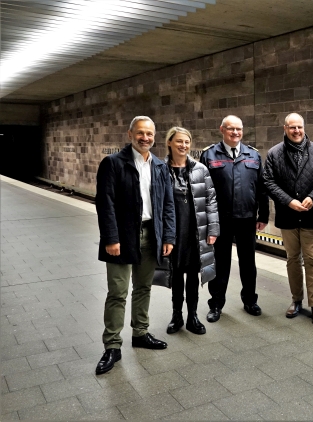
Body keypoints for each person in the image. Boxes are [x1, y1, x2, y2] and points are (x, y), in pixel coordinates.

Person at [94, 116, 175, 375]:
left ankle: (140, 333)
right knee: (117, 292)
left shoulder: (160, 166)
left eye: (150, 134)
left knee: (143, 288)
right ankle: (112, 346)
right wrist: (111, 238)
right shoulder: (113, 163)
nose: (145, 138)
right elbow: (104, 203)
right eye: (140, 133)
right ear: (130, 134)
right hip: (123, 236)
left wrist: (168, 237)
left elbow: (167, 205)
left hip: (152, 235)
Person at [200, 115, 269, 322]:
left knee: (248, 262)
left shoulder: (253, 155)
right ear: (222, 129)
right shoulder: (210, 155)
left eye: (239, 129)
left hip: (247, 218)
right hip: (220, 220)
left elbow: (261, 188)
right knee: (220, 263)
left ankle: (250, 300)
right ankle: (216, 304)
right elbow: (203, 190)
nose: (236, 133)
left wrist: (263, 215)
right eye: (231, 129)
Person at [263, 113, 313, 325]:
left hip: (311, 215)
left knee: (312, 259)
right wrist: (289, 201)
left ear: (304, 127)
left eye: (299, 127)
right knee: (292, 259)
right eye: (292, 127)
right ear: (285, 128)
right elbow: (269, 182)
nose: (297, 131)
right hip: (287, 215)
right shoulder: (274, 153)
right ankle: (296, 300)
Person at [160, 127, 219, 335]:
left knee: (193, 274)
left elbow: (211, 201)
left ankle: (192, 316)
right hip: (173, 233)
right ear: (169, 143)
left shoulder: (200, 169)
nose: (183, 145)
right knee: (175, 274)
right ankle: (177, 316)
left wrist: (213, 229)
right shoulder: (160, 169)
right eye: (179, 142)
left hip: (195, 232)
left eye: (186, 142)